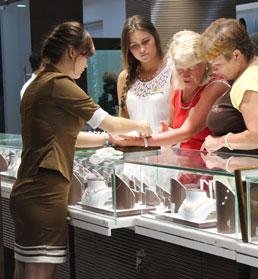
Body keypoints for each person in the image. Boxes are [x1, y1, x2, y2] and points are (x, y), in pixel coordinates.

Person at [9, 21, 151, 279]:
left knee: (22, 269)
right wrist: (145, 125)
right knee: (39, 273)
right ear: (72, 52)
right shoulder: (58, 83)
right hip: (45, 193)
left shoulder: (37, 84)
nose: (86, 65)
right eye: (86, 57)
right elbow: (107, 120)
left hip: (27, 191)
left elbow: (68, 138)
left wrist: (109, 141)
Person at [110, 30, 231, 150]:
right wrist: (166, 132)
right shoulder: (177, 85)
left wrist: (139, 141)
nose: (185, 75)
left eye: (191, 68)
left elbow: (187, 132)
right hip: (185, 162)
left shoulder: (216, 85)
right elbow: (172, 127)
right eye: (180, 69)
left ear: (205, 63)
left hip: (214, 163)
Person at [197, 18, 258, 156]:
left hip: (250, 170)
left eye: (217, 64)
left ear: (236, 55)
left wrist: (220, 141)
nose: (213, 70)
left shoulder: (249, 82)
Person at [118, 14, 174, 134]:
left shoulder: (173, 71)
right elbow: (122, 120)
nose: (142, 50)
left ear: (156, 36)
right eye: (135, 46)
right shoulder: (124, 77)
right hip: (135, 149)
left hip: (167, 148)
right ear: (128, 49)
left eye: (146, 41)